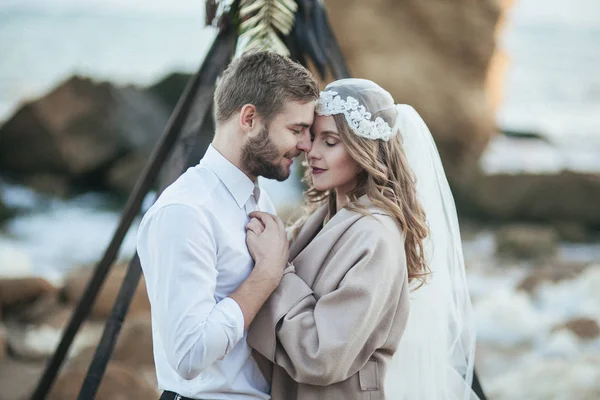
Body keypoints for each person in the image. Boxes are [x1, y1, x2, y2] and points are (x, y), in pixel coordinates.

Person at [246, 78, 478, 399]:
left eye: (330, 142)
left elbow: (323, 356)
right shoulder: (323, 218)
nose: (310, 152)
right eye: (312, 138)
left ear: (363, 151)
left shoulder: (376, 236)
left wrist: (274, 270)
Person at [136, 51, 319, 400]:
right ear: (249, 117)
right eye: (296, 129)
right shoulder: (185, 211)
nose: (306, 145)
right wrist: (265, 274)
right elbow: (190, 355)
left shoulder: (259, 201)